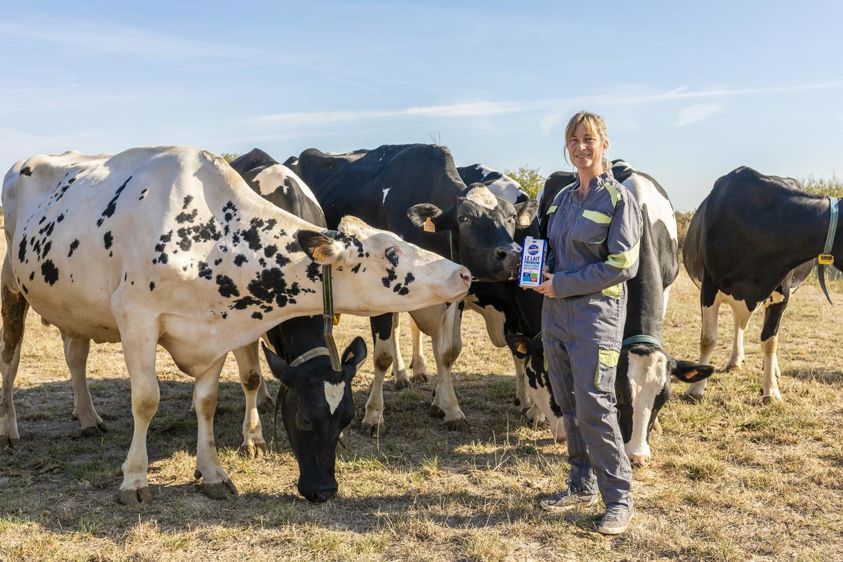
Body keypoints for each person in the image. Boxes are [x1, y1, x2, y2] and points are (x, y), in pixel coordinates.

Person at [532, 111, 642, 535]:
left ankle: (619, 498)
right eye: (574, 140)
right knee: (568, 403)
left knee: (596, 404)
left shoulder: (617, 200)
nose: (581, 147)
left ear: (604, 144)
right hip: (555, 315)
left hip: (596, 317)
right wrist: (535, 270)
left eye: (588, 139)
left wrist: (564, 283)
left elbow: (622, 264)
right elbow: (551, 252)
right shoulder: (560, 199)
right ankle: (580, 484)